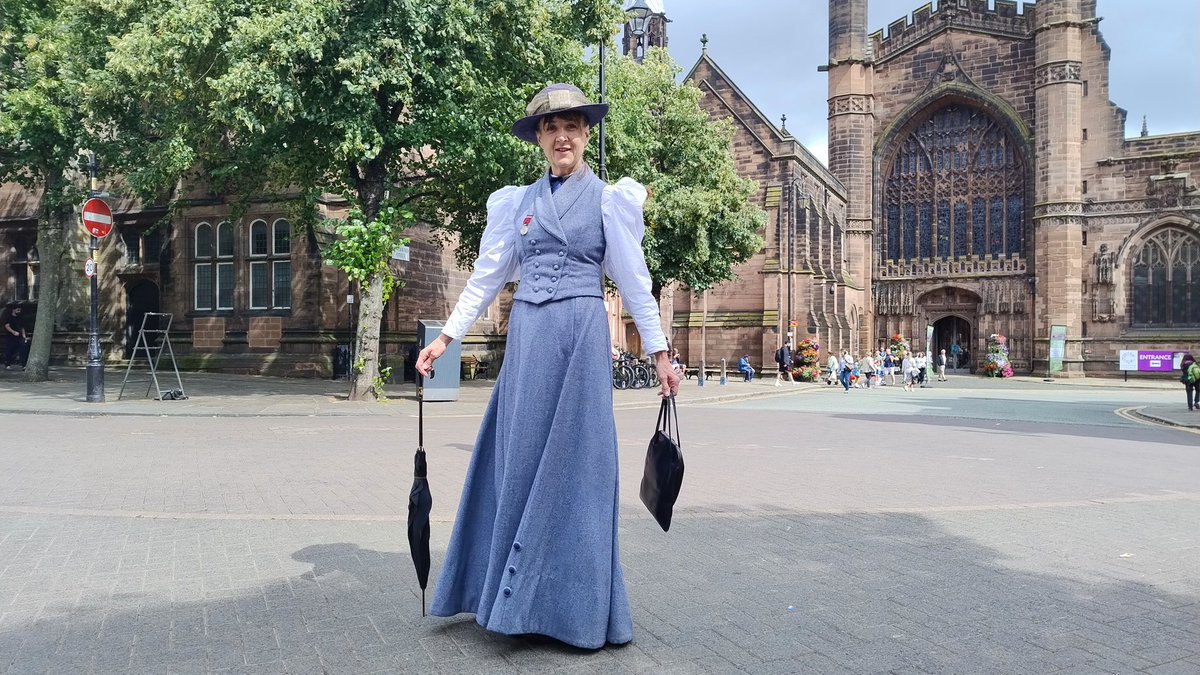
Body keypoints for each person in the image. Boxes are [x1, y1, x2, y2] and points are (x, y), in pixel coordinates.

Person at [415, 83, 680, 650]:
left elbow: (635, 283)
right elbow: (487, 277)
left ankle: (574, 611)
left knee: (581, 467)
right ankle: (510, 602)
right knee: (519, 461)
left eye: (573, 127)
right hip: (530, 341)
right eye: (551, 127)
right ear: (539, 138)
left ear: (586, 136)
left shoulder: (611, 201)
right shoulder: (516, 203)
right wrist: (447, 337)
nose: (563, 136)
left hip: (581, 339)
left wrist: (659, 351)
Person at [4, 305, 27, 370]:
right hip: (11, 337)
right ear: (13, 310)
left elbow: (22, 328)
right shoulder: (9, 317)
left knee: (23, 349)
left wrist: (24, 336)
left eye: (19, 310)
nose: (19, 311)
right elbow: (7, 326)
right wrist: (13, 332)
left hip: (20, 337)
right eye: (17, 310)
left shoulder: (20, 318)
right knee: (10, 350)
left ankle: (24, 365)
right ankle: (7, 364)